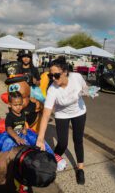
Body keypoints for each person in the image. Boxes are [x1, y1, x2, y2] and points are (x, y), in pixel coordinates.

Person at [36, 56, 88, 185]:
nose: (53, 78)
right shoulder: (52, 90)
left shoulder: (76, 77)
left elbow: (85, 87)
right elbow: (46, 114)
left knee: (78, 140)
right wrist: (40, 138)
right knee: (63, 143)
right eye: (50, 76)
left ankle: (80, 169)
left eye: (56, 75)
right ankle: (52, 161)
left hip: (79, 112)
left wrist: (87, 92)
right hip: (62, 115)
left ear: (65, 72)